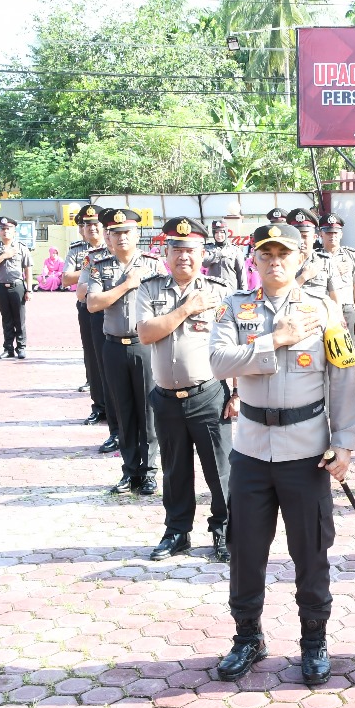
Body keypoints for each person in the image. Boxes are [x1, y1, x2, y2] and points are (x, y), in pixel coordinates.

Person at [208, 221, 355, 686]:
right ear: (253, 259)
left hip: (306, 451)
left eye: (284, 254)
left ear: (300, 259)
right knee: (245, 549)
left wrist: (344, 441)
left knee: (311, 550)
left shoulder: (323, 308)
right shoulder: (235, 307)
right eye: (266, 254)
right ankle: (247, 637)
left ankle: (314, 641)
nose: (275, 262)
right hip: (251, 450)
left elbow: (342, 377)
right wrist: (273, 340)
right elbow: (217, 362)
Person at [137, 217, 233, 563]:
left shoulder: (220, 291)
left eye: (190, 250)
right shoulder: (150, 289)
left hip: (209, 395)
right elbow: (146, 333)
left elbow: (237, 343)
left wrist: (237, 393)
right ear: (166, 253)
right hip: (165, 398)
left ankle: (225, 531)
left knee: (221, 471)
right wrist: (186, 309)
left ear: (202, 253)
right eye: (176, 249)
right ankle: (177, 531)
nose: (183, 256)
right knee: (175, 470)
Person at [86, 208, 165, 494]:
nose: (121, 237)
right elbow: (93, 303)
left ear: (137, 234)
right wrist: (127, 284)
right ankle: (130, 471)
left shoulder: (154, 265)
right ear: (109, 235)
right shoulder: (99, 266)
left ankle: (149, 471)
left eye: (127, 232)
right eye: (116, 233)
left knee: (148, 412)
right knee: (123, 412)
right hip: (113, 346)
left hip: (144, 346)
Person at [64, 205, 115, 440]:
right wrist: (92, 269)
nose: (92, 228)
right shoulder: (81, 251)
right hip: (89, 309)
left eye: (97, 224)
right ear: (82, 228)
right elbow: (67, 279)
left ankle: (116, 408)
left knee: (114, 360)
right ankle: (99, 406)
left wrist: (92, 273)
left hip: (115, 310)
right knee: (93, 358)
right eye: (88, 224)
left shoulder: (116, 248)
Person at [0, 216, 32, 360]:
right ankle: (8, 348)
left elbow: (28, 269)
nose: (5, 231)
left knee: (19, 319)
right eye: (3, 229)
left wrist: (29, 290)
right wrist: (4, 255)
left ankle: (21, 348)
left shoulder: (21, 248)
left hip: (17, 286)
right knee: (6, 319)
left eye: (8, 229)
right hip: (2, 288)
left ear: (14, 231)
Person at [320, 213, 355, 349]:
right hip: (323, 310)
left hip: (346, 309)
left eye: (335, 232)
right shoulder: (315, 257)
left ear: (341, 234)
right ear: (321, 234)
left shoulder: (351, 256)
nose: (332, 236)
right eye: (328, 232)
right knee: (322, 351)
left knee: (347, 351)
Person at [288, 209, 338, 304]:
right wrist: (303, 277)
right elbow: (279, 295)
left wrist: (338, 313)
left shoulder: (325, 261)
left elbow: (335, 297)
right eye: (297, 237)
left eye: (305, 236)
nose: (301, 241)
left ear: (314, 238)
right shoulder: (283, 262)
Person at [204, 220, 246, 293]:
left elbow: (241, 272)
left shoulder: (235, 250)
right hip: (214, 291)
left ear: (226, 233)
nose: (219, 235)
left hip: (231, 291)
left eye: (222, 232)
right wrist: (220, 254)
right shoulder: (209, 248)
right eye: (216, 232)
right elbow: (204, 263)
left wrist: (243, 292)